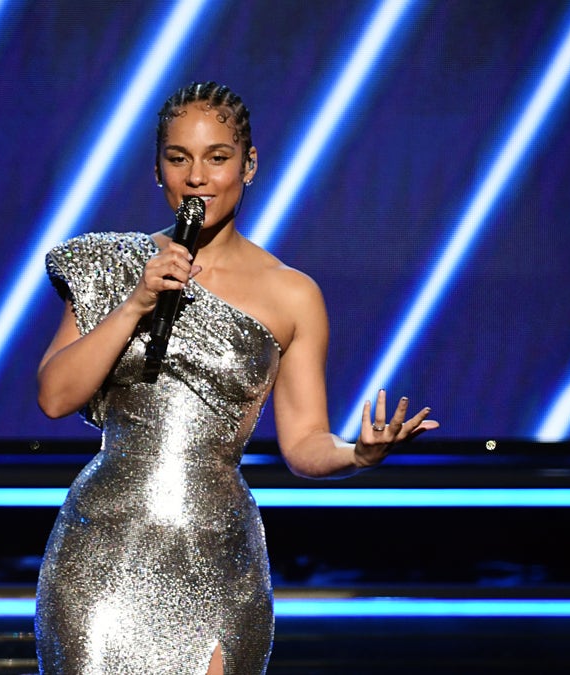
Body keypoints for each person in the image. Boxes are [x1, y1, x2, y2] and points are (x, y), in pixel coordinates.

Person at [34, 81, 437, 675]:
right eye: (179, 159)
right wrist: (136, 302)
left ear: (248, 166)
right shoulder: (114, 266)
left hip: (217, 555)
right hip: (103, 554)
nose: (197, 177)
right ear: (157, 171)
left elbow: (303, 443)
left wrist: (358, 453)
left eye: (217, 158)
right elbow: (54, 396)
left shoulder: (292, 294)